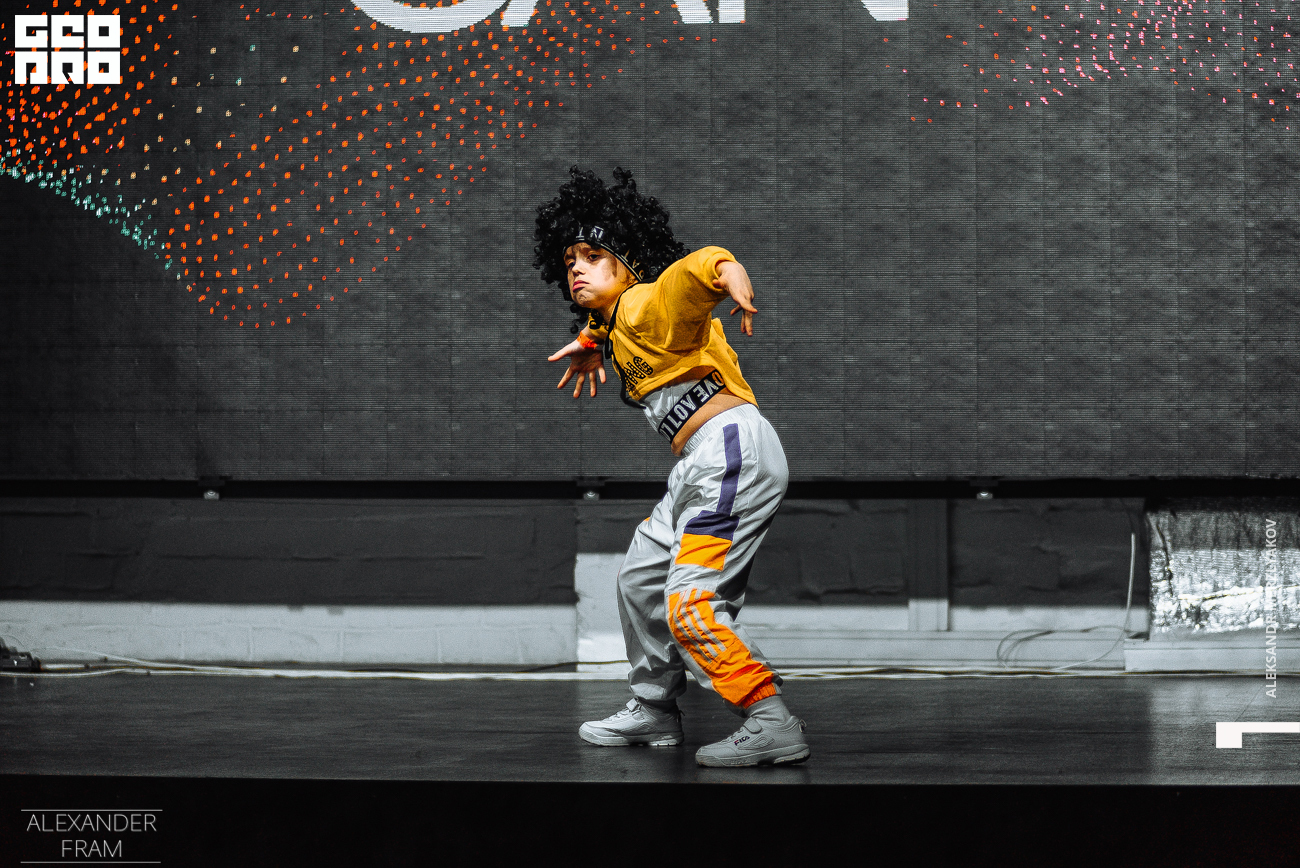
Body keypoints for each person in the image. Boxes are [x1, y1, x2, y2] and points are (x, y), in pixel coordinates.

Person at [534, 166, 809, 767]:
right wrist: (590, 343)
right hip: (698, 464)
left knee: (690, 602)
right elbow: (607, 324)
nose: (576, 267)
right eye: (570, 259)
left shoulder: (645, 303)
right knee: (639, 579)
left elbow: (690, 275)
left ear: (629, 263)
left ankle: (770, 719)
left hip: (732, 451)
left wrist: (726, 271)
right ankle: (654, 708)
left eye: (593, 256)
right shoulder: (616, 320)